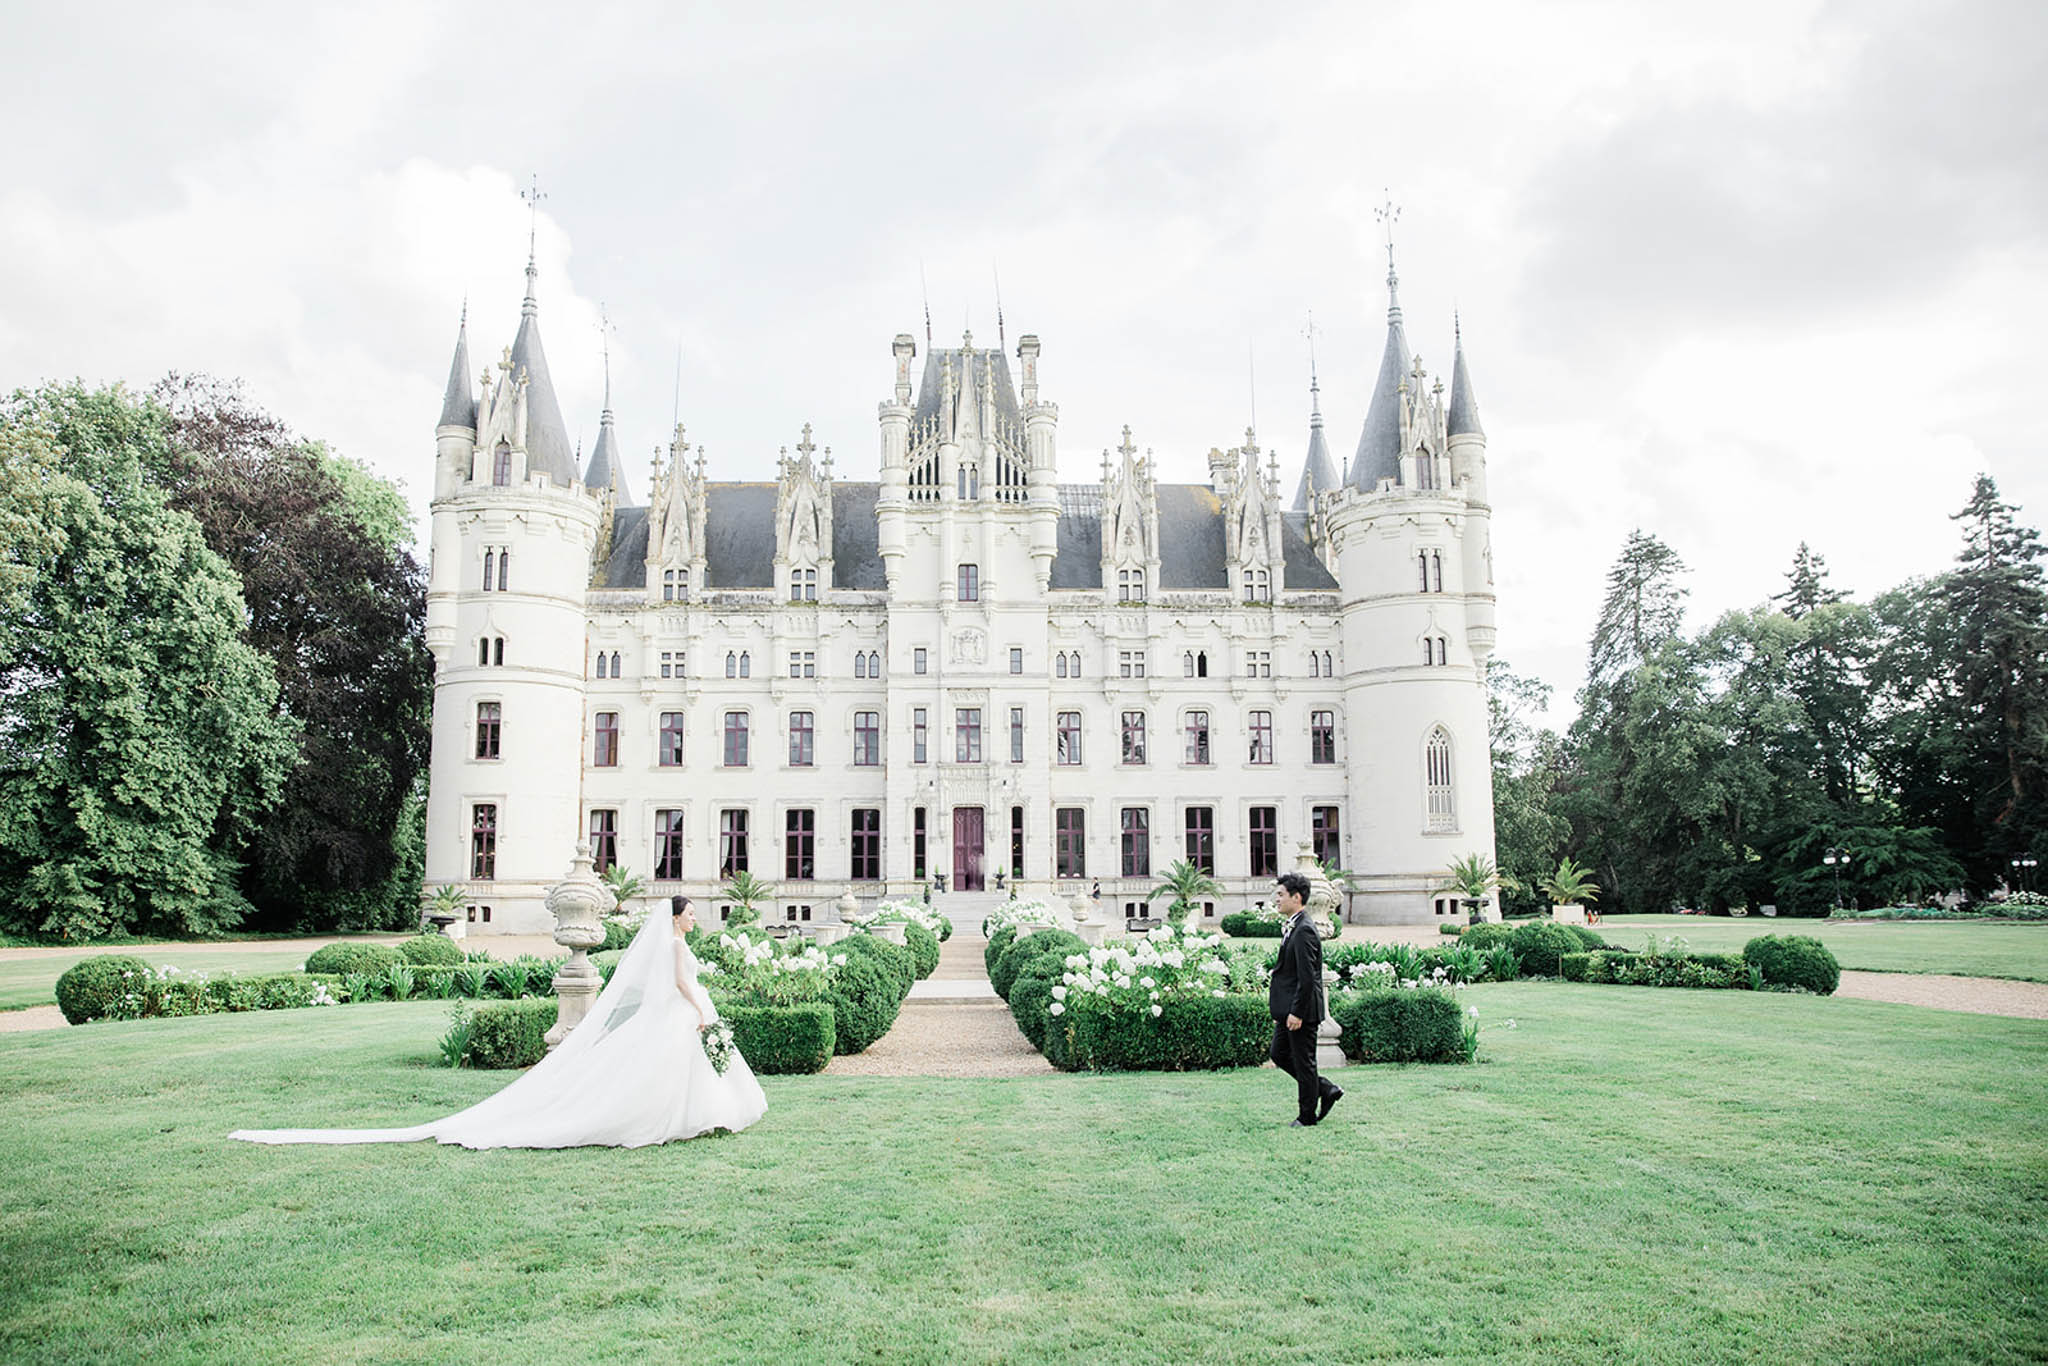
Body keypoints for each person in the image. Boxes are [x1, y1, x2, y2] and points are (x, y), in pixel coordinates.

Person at [229, 895, 766, 1149]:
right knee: (666, 1069)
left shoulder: (676, 940)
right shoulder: (674, 943)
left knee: (673, 1069)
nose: (696, 917)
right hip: (684, 1011)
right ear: (677, 916)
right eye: (692, 911)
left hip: (685, 1012)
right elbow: (678, 983)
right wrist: (700, 1009)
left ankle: (694, 1118)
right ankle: (676, 1120)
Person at [1268, 873, 1342, 1128]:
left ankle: (1307, 1116)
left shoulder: (1304, 930)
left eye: (1281, 894)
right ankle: (1325, 1088)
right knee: (1278, 1053)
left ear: (1296, 898)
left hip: (1301, 1011)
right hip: (1287, 1008)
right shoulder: (1294, 925)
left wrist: (1297, 1013)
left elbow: (1308, 977)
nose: (1276, 899)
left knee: (1304, 1061)